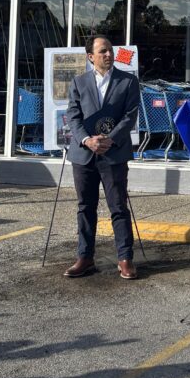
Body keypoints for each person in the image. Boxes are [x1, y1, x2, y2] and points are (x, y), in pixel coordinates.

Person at [64, 34, 141, 280]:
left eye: (110, 50)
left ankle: (125, 258)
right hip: (84, 155)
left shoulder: (128, 81)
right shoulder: (78, 82)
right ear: (91, 57)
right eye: (103, 51)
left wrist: (110, 139)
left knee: (118, 206)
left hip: (114, 153)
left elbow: (130, 115)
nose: (109, 54)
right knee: (85, 207)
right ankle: (85, 257)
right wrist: (87, 140)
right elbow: (73, 115)